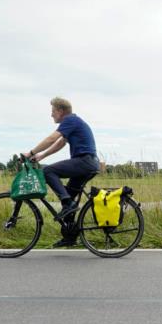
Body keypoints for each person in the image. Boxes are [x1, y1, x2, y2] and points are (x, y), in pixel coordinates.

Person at [23, 97, 99, 246]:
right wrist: (41, 156)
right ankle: (70, 237)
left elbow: (52, 139)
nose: (51, 115)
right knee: (68, 197)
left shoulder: (70, 120)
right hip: (88, 163)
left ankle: (68, 204)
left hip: (84, 162)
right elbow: (60, 143)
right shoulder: (73, 123)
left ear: (60, 111)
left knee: (48, 171)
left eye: (53, 111)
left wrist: (31, 152)